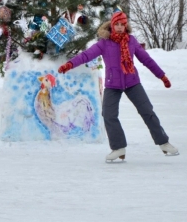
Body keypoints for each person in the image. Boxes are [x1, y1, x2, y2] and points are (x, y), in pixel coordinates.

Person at [58, 11, 178, 163]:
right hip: (112, 84)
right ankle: (118, 148)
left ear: (126, 25)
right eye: (117, 24)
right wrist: (69, 64)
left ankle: (164, 143)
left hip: (132, 82)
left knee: (147, 111)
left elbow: (146, 60)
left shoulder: (131, 41)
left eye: (123, 24)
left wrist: (162, 76)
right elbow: (86, 55)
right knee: (108, 114)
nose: (120, 27)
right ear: (112, 25)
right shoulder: (104, 42)